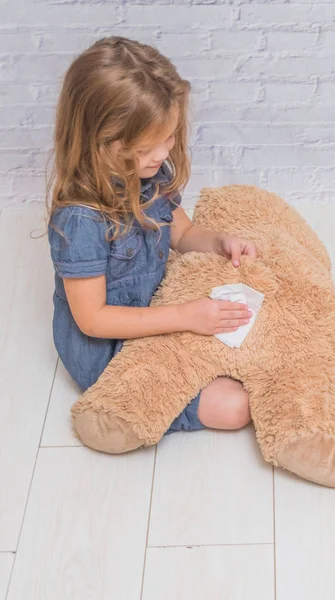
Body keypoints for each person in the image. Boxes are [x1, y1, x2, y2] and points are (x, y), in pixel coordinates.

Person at [47, 36, 257, 436]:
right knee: (235, 408)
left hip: (161, 310)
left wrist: (217, 241)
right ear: (103, 143)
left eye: (170, 136)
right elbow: (92, 320)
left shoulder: (145, 174)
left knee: (253, 331)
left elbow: (183, 230)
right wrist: (185, 317)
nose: (164, 152)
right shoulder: (79, 220)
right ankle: (132, 408)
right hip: (111, 348)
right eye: (149, 145)